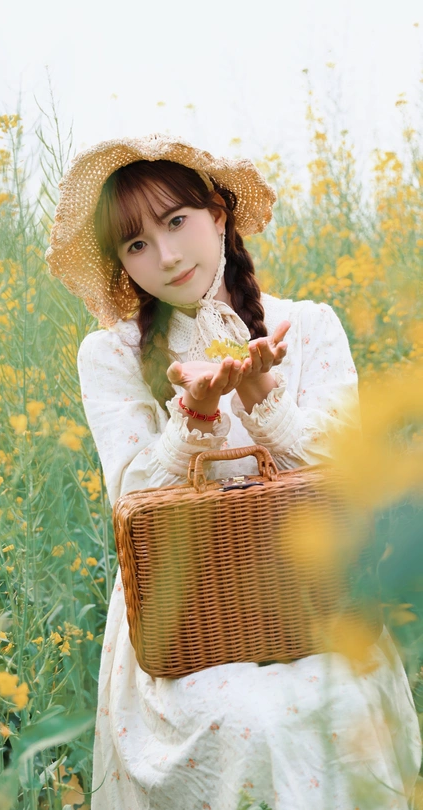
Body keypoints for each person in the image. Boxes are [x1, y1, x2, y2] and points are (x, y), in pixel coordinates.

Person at [45, 134, 421, 810]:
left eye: (176, 222)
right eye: (136, 245)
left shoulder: (307, 326)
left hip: (316, 601)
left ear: (218, 214)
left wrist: (261, 395)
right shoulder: (110, 353)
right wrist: (193, 415)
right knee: (250, 723)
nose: (165, 256)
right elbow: (131, 496)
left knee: (335, 712)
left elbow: (346, 475)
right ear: (121, 264)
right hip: (184, 618)